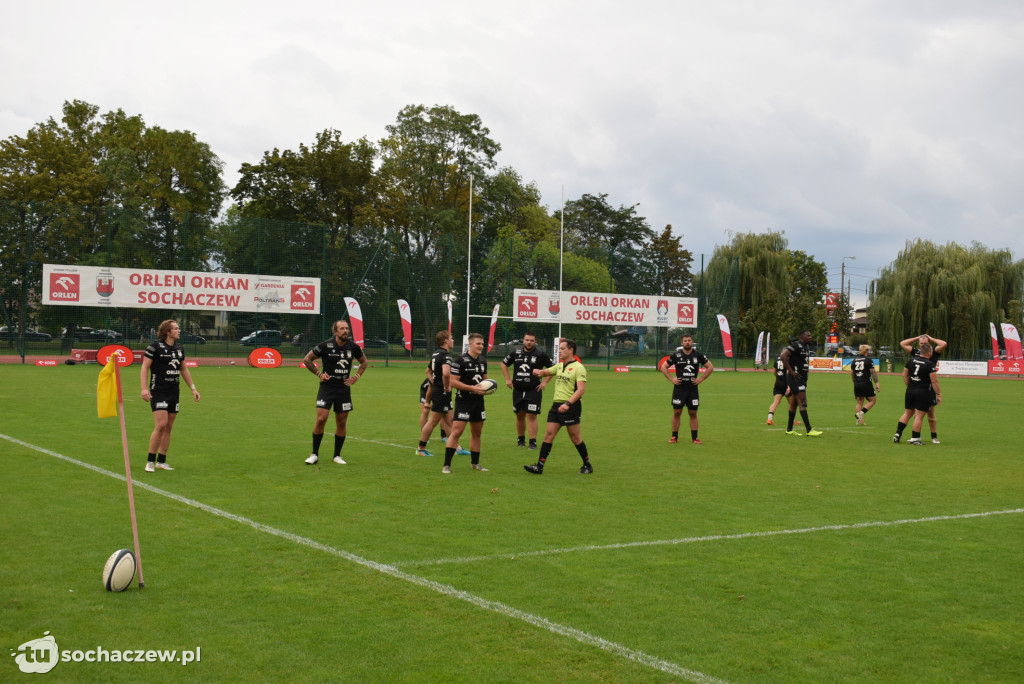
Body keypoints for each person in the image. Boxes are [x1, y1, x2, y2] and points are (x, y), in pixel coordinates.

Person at [302, 320, 367, 465]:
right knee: (321, 419)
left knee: (342, 421)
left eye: (347, 328)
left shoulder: (353, 347)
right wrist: (319, 374)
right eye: (342, 329)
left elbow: (364, 362)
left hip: (343, 388)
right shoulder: (325, 345)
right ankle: (314, 454)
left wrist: (355, 377)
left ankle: (337, 456)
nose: (345, 331)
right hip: (327, 387)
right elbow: (307, 360)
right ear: (335, 331)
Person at [524, 338, 593, 475]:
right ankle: (539, 466)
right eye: (559, 349)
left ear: (571, 350)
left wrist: (568, 404)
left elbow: (580, 390)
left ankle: (587, 465)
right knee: (548, 435)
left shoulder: (579, 368)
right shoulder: (560, 366)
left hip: (571, 406)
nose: (559, 351)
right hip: (556, 406)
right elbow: (546, 372)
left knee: (575, 438)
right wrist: (538, 371)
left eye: (562, 349)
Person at [140, 319, 201, 472]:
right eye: (175, 328)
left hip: (174, 392)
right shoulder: (155, 347)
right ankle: (150, 461)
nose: (178, 330)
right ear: (167, 332)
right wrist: (143, 389)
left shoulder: (179, 348)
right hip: (158, 391)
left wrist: (193, 389)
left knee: (168, 427)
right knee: (161, 424)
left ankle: (162, 461)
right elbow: (145, 367)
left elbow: (184, 369)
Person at [442, 333, 490, 474]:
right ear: (471, 344)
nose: (481, 346)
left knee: (477, 433)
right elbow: (452, 381)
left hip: (478, 402)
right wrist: (472, 388)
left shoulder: (482, 361)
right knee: (457, 432)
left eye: (482, 343)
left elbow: (485, 380)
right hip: (464, 401)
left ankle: (475, 464)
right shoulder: (460, 360)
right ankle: (446, 465)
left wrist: (487, 389)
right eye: (478, 344)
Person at [417, 331, 470, 458]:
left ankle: (457, 447)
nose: (453, 340)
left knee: (450, 421)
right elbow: (446, 373)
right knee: (433, 421)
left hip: (439, 391)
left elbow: (428, 371)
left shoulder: (436, 354)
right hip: (442, 393)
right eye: (451, 338)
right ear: (445, 341)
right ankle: (421, 448)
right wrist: (446, 386)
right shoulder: (446, 356)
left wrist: (434, 383)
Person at [499, 332, 553, 449]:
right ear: (523, 341)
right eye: (527, 340)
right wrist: (508, 379)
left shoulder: (540, 354)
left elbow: (552, 368)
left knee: (531, 415)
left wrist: (544, 382)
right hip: (517, 390)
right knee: (519, 415)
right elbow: (503, 364)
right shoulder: (516, 353)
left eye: (531, 340)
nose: (529, 342)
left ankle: (532, 441)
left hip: (533, 390)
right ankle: (521, 439)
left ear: (535, 342)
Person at [660, 333, 714, 444]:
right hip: (679, 389)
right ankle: (674, 437)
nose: (687, 342)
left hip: (692, 389)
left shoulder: (698, 355)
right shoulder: (676, 355)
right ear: (682, 343)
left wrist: (701, 379)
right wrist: (672, 379)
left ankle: (695, 438)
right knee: (677, 412)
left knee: (693, 413)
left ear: (692, 342)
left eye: (689, 340)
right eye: (685, 340)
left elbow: (710, 367)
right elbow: (663, 367)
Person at [901, 334, 946, 444]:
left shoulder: (934, 350)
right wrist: (917, 338)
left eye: (925, 343)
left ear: (929, 343)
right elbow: (903, 343)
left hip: (929, 386)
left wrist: (931, 338)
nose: (923, 345)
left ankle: (934, 436)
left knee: (930, 412)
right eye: (921, 343)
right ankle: (915, 436)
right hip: (917, 386)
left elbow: (943, 344)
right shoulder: (916, 351)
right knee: (917, 413)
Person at [779, 330, 823, 437]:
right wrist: (791, 371)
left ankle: (789, 430)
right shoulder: (796, 345)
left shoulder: (806, 347)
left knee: (793, 404)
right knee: (803, 402)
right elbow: (783, 356)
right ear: (802, 336)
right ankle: (809, 430)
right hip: (795, 379)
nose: (810, 337)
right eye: (808, 336)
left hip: (801, 379)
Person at [851, 344, 880, 424]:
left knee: (859, 402)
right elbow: (873, 372)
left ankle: (858, 421)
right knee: (873, 400)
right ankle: (861, 413)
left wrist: (855, 382)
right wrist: (877, 383)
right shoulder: (868, 360)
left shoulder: (854, 360)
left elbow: (852, 373)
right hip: (866, 383)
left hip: (857, 383)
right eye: (868, 350)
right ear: (866, 351)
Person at [766, 354, 797, 426]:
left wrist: (779, 378)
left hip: (778, 383)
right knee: (792, 404)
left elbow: (774, 372)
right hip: (786, 384)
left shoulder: (777, 359)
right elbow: (788, 374)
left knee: (775, 402)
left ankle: (769, 419)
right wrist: (789, 386)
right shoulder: (788, 360)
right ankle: (793, 421)